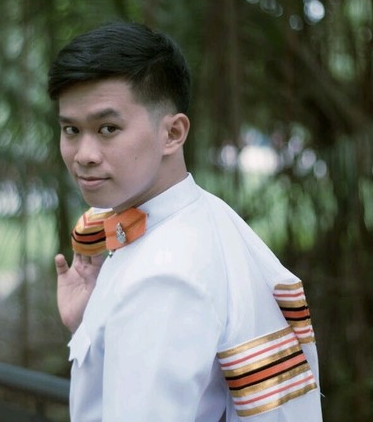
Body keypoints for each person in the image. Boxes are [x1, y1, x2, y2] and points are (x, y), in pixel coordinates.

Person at [48, 21, 323, 421]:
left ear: (173, 133)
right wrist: (90, 321)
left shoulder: (163, 274)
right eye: (71, 129)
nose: (84, 154)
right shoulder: (202, 216)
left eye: (108, 128)